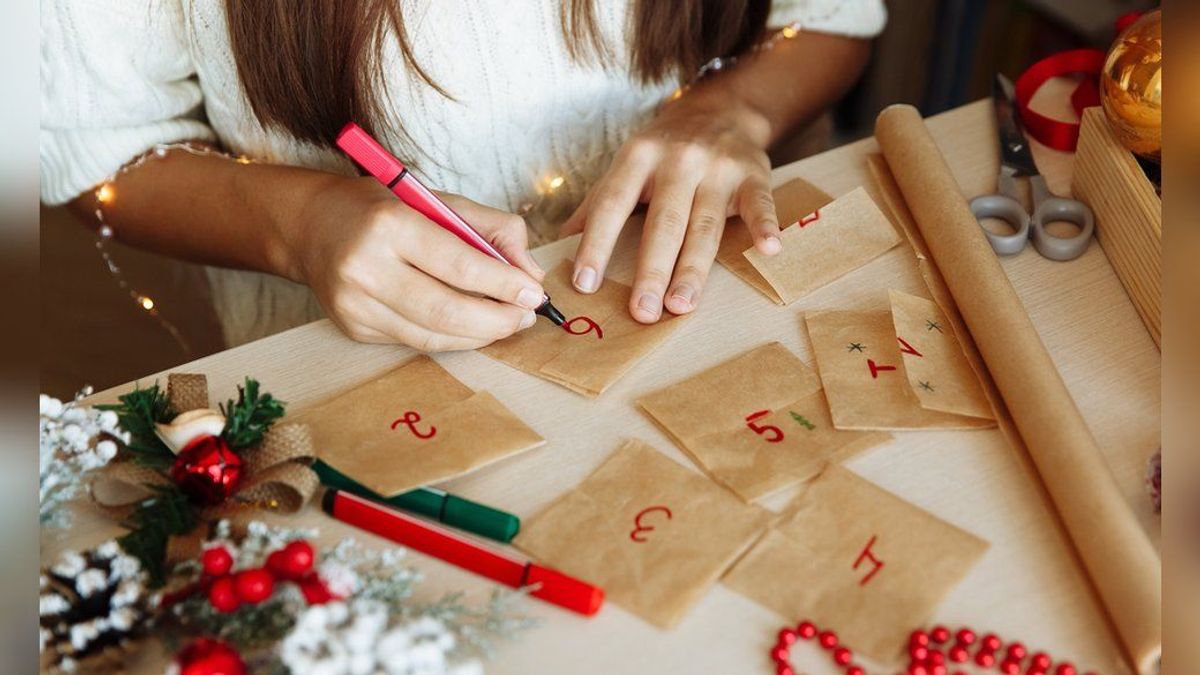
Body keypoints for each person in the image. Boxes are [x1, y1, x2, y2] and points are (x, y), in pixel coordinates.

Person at [41, 1, 884, 351]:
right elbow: (92, 147)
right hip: (353, 356)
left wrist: (734, 109)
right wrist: (299, 223)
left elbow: (835, 18)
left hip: (722, 312)